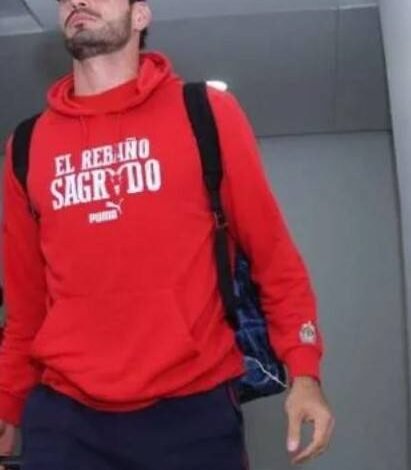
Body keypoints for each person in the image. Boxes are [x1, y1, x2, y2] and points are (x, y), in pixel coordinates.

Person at [0, 0, 335, 468]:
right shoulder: (27, 146)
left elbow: (274, 259)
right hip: (66, 420)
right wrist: (7, 404)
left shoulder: (206, 113)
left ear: (140, 15)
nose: (76, 0)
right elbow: (26, 311)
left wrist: (304, 370)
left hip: (192, 412)